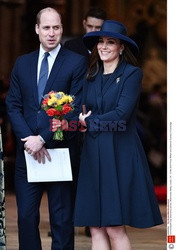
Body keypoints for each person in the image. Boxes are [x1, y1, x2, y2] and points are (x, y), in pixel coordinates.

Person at [73, 20, 163, 249]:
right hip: (93, 153)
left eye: (110, 42)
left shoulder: (132, 74)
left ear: (121, 47)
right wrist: (76, 121)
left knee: (114, 227)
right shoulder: (90, 75)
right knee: (95, 226)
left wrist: (90, 121)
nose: (103, 46)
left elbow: (121, 114)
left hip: (119, 152)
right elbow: (81, 110)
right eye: (101, 42)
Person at [5, 7, 87, 250]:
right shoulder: (23, 63)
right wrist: (29, 138)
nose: (52, 33)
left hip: (60, 151)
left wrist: (43, 137)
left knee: (61, 220)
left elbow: (75, 109)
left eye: (57, 27)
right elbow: (13, 104)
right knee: (26, 218)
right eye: (47, 28)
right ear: (37, 30)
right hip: (28, 152)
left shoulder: (76, 62)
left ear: (61, 29)